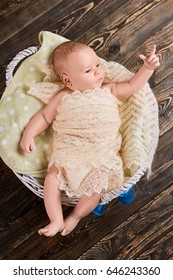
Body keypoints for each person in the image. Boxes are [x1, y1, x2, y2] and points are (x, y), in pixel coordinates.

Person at [20, 41, 160, 237]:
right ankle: (56, 219)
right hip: (70, 151)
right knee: (51, 180)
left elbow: (132, 85)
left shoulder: (109, 90)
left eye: (98, 65)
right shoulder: (62, 96)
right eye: (88, 70)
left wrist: (147, 68)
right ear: (68, 81)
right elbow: (44, 117)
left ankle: (76, 216)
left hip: (102, 154)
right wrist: (29, 134)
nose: (97, 72)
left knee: (95, 192)